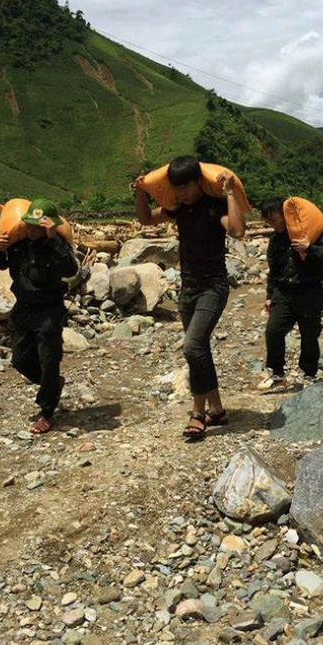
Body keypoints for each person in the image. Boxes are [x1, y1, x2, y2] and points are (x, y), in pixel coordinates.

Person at [134, 155, 246, 440]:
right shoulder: (178, 209)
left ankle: (198, 412)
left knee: (192, 347)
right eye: (177, 187)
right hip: (188, 288)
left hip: (213, 287)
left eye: (186, 186)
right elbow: (146, 219)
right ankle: (218, 410)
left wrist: (231, 193)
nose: (181, 192)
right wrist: (140, 193)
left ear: (198, 182)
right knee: (200, 350)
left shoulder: (215, 205)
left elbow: (237, 230)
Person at [0, 198, 79, 433]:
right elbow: (0, 264)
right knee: (20, 360)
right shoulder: (19, 243)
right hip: (23, 308)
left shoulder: (57, 245)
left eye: (36, 227)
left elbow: (71, 269)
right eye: (28, 225)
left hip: (50, 309)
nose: (30, 230)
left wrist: (52, 241)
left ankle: (46, 412)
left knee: (49, 361)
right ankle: (53, 385)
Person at [260, 197, 323, 389]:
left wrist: (309, 248)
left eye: (274, 219)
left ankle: (308, 373)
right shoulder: (275, 240)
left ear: (285, 216)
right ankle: (276, 373)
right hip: (283, 292)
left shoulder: (311, 234)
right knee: (273, 331)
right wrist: (269, 295)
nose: (272, 224)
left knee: (309, 335)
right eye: (268, 222)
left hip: (309, 291)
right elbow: (273, 270)